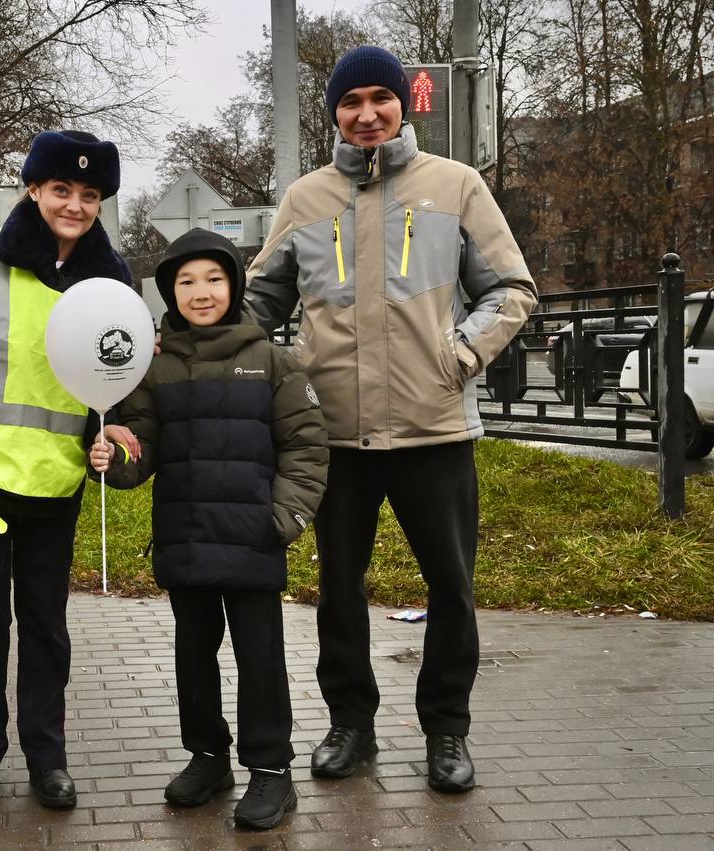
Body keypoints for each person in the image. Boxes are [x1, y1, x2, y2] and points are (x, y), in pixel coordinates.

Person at [244, 45, 537, 793]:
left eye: (381, 97)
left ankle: (447, 730)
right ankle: (351, 724)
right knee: (340, 587)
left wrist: (460, 357)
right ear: (333, 112)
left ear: (404, 103)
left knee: (452, 586)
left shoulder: (456, 186)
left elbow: (510, 288)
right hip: (332, 434)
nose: (367, 113)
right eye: (351, 101)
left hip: (432, 429)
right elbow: (258, 305)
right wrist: (204, 348)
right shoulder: (305, 198)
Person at [0, 129, 133, 811]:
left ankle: (49, 758)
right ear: (33, 188)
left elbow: (119, 376)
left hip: (58, 483)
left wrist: (110, 440)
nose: (74, 204)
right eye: (61, 189)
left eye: (89, 194)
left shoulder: (112, 277)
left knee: (46, 628)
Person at [89, 228, 328, 830]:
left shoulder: (272, 361)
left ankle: (271, 770)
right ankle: (208, 756)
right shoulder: (153, 365)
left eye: (214, 278)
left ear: (235, 285)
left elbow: (306, 445)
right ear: (170, 292)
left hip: (253, 541)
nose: (201, 292)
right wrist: (114, 458)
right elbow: (140, 447)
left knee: (261, 659)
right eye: (186, 281)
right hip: (186, 539)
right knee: (193, 656)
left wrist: (284, 518)